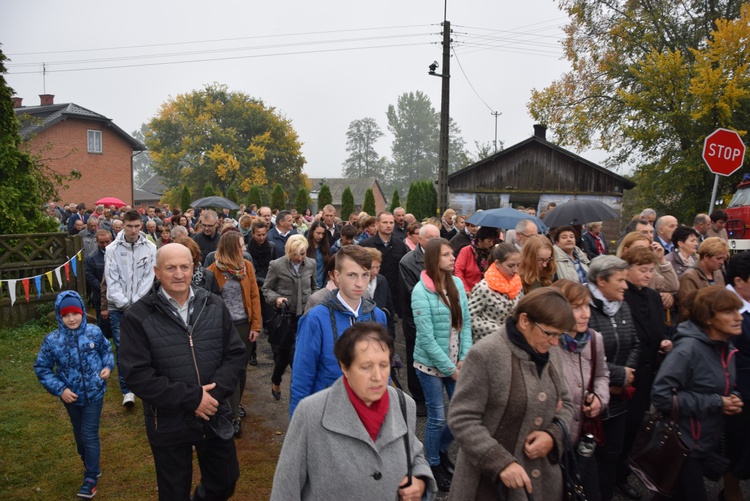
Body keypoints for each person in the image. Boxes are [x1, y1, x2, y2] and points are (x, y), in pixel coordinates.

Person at [119, 244, 246, 501]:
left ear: (193, 268)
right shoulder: (138, 316)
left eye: (184, 267)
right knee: (174, 493)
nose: (179, 274)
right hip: (168, 420)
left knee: (225, 480)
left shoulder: (214, 304)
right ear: (157, 272)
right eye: (170, 268)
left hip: (213, 411)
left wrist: (213, 395)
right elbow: (137, 375)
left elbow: (235, 354)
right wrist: (192, 398)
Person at [271, 322, 436, 500]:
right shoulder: (311, 412)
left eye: (383, 365)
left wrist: (420, 479)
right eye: (366, 367)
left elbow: (414, 454)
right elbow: (286, 489)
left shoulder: (404, 404)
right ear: (344, 366)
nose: (377, 376)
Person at [447, 287, 576, 500]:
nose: (555, 342)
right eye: (550, 333)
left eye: (559, 335)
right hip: (489, 486)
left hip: (544, 482)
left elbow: (567, 403)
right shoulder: (485, 354)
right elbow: (462, 419)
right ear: (524, 320)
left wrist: (553, 435)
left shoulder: (550, 352)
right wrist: (500, 462)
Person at [651, 286, 744, 501]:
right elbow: (661, 396)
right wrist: (718, 402)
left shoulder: (723, 345)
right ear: (708, 318)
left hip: (703, 442)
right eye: (729, 312)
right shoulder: (687, 349)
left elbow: (715, 385)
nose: (738, 317)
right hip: (683, 445)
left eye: (737, 310)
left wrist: (733, 396)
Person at [34, 291, 114, 500]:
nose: (72, 319)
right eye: (66, 315)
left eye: (75, 314)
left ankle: (91, 477)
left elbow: (107, 351)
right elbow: (42, 368)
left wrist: (107, 366)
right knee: (80, 436)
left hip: (95, 394)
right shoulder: (53, 341)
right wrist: (61, 389)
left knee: (89, 434)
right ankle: (88, 461)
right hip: (72, 397)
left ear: (82, 313)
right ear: (60, 317)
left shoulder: (94, 333)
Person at [290, 245, 388, 416]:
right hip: (329, 414)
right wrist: (299, 429)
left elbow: (385, 370)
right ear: (337, 276)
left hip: (369, 414)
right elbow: (302, 378)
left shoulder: (378, 316)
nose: (359, 283)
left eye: (365, 275)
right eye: (352, 275)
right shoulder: (315, 319)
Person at [411, 238, 472, 491]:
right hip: (430, 365)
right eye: (447, 254)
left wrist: (464, 358)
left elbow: (465, 323)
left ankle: (442, 451)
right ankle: (432, 463)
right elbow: (425, 338)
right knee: (436, 417)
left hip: (456, 363)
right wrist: (450, 369)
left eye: (453, 253)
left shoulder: (457, 283)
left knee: (462, 414)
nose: (452, 258)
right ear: (435, 259)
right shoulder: (420, 291)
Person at [619, 246, 672, 497]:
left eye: (651, 270)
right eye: (642, 270)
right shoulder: (621, 296)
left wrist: (664, 340)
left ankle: (624, 473)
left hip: (650, 370)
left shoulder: (652, 296)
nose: (648, 275)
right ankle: (616, 476)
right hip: (629, 371)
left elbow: (659, 326)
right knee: (624, 427)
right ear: (627, 269)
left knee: (637, 427)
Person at [586, 255, 640, 501]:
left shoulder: (622, 304)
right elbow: (584, 354)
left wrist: (625, 377)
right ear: (601, 281)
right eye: (620, 280)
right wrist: (618, 376)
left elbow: (636, 343)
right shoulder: (583, 307)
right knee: (588, 459)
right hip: (591, 402)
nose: (625, 286)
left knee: (611, 457)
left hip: (618, 401)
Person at [552, 279, 610, 501]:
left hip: (584, 439)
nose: (585, 313)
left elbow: (601, 374)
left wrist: (599, 399)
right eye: (576, 307)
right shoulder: (548, 343)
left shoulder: (594, 339)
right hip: (555, 442)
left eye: (586, 306)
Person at [207, 232, 262, 437]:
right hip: (222, 329)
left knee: (241, 370)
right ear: (231, 248)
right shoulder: (212, 272)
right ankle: (233, 417)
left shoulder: (246, 267)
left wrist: (256, 326)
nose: (245, 248)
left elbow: (255, 296)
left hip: (243, 326)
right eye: (241, 245)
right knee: (229, 370)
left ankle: (235, 404)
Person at [104, 209, 157, 409]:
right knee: (122, 346)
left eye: (137, 226)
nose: (133, 230)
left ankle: (146, 383)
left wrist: (136, 302)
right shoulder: (112, 249)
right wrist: (124, 303)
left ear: (141, 226)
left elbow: (149, 278)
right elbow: (112, 278)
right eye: (129, 226)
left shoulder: (150, 248)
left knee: (146, 344)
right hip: (119, 307)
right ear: (122, 225)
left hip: (142, 304)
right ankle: (127, 390)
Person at [262, 235, 319, 401]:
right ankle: (277, 380)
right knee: (285, 354)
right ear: (289, 251)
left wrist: (314, 299)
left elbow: (315, 286)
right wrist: (277, 299)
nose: (299, 258)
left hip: (305, 316)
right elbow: (266, 289)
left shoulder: (311, 264)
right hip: (285, 317)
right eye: (296, 254)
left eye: (302, 253)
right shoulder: (277, 265)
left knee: (298, 356)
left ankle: (300, 394)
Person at [399, 223, 441, 417]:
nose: (435, 242)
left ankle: (433, 394)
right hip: (416, 318)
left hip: (439, 317)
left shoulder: (442, 258)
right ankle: (418, 398)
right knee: (416, 357)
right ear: (420, 239)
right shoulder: (408, 262)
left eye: (437, 238)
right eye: (431, 238)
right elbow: (412, 293)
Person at [723, 252, 750, 501]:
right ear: (740, 281)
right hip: (738, 391)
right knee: (736, 444)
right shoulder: (722, 307)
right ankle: (730, 489)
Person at [468, 242, 523, 343]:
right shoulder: (484, 287)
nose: (515, 270)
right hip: (487, 343)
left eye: (518, 265)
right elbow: (470, 318)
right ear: (497, 263)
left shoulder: (517, 284)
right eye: (511, 266)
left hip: (511, 342)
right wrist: (499, 329)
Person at [361, 211, 408, 317]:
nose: (388, 225)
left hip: (394, 295)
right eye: (385, 222)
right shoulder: (366, 245)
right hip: (372, 293)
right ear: (377, 224)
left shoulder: (400, 245)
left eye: (391, 223)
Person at [678, 236, 729, 321]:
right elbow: (687, 310)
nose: (722, 262)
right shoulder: (689, 276)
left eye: (724, 259)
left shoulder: (718, 273)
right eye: (718, 258)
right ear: (706, 257)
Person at [454, 226, 499, 295]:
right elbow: (458, 271)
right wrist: (465, 289)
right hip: (470, 291)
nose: (491, 244)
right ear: (480, 240)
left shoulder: (492, 252)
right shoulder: (466, 251)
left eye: (493, 241)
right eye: (489, 241)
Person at [364, 247, 396, 339]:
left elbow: (389, 307)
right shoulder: (357, 284)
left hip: (381, 328)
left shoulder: (382, 280)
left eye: (378, 267)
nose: (375, 271)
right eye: (372, 268)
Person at [84, 229, 112, 326]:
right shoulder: (91, 257)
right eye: (102, 242)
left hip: (117, 294)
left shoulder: (118, 254)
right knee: (102, 322)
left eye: (107, 242)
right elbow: (89, 275)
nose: (105, 245)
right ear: (97, 242)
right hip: (99, 295)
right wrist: (102, 288)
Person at [306, 220, 331, 288]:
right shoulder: (305, 246)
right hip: (308, 286)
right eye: (318, 233)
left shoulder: (325, 247)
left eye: (323, 234)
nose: (321, 236)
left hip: (322, 285)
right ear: (312, 232)